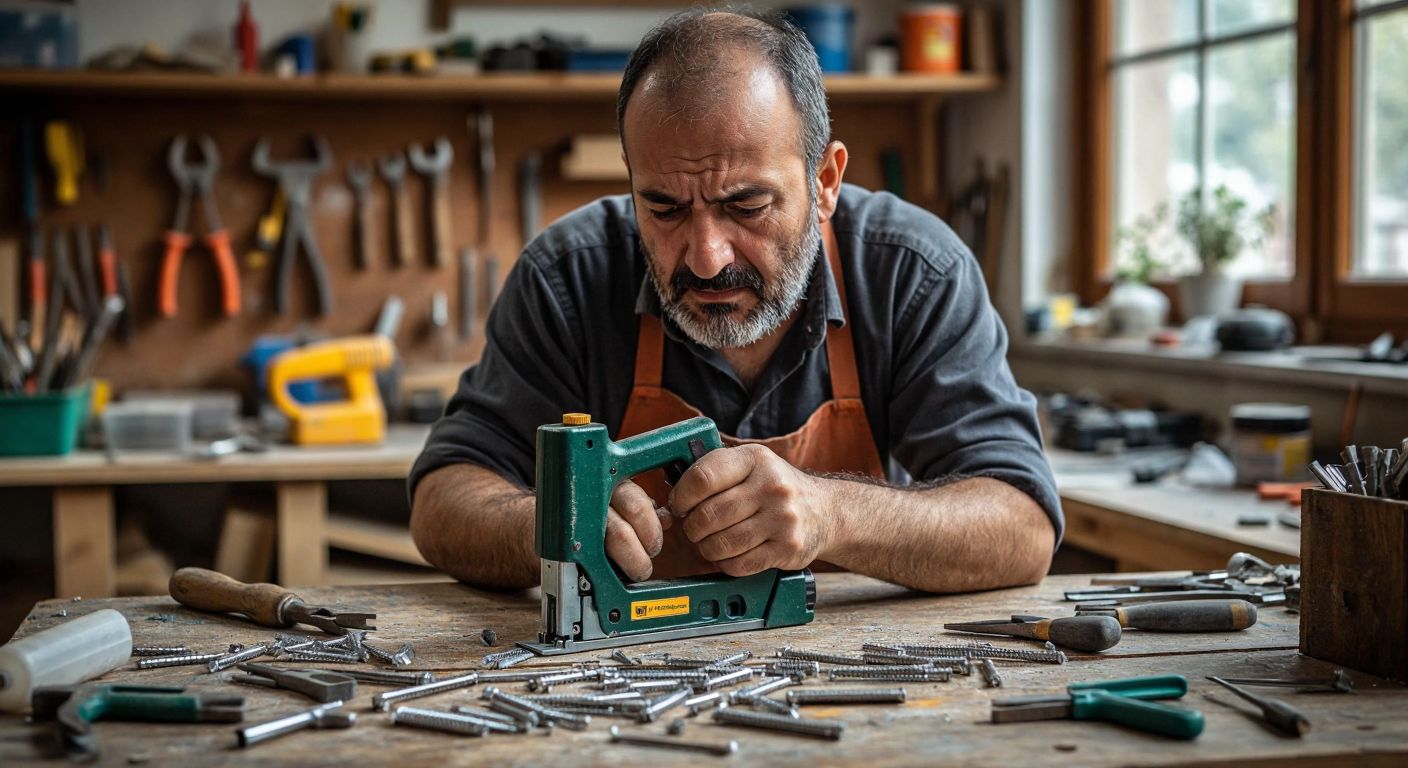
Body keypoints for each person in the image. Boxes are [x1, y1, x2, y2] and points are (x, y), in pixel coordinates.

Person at [409, 9, 1061, 594]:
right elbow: (444, 496)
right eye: (663, 208)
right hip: (622, 678)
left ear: (826, 181)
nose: (705, 257)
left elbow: (1022, 524)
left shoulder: (912, 273)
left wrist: (832, 516)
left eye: (746, 206)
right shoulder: (567, 278)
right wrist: (548, 528)